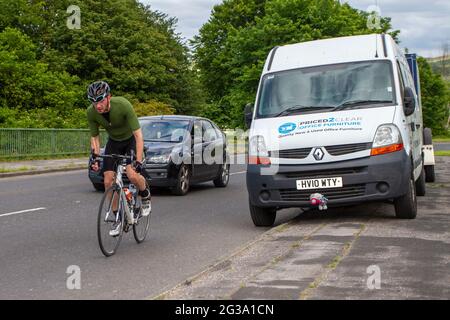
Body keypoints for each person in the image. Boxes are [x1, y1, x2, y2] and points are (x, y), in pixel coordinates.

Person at [87, 81, 151, 236]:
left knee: (132, 175)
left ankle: (145, 194)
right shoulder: (91, 112)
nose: (98, 105)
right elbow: (94, 137)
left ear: (109, 97)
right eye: (94, 102)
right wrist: (95, 158)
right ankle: (118, 217)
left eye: (101, 100)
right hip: (114, 142)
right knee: (108, 180)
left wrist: (138, 159)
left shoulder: (123, 105)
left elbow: (138, 135)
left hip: (130, 140)